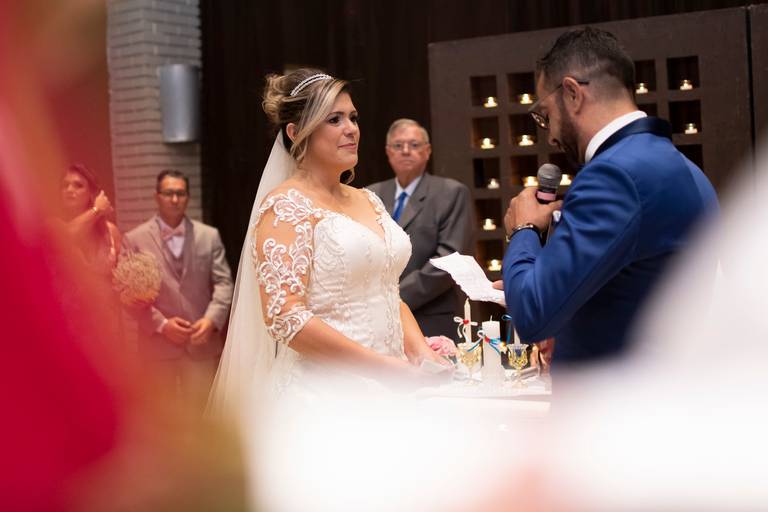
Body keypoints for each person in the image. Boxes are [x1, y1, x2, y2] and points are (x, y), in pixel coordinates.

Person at [208, 69, 449, 417]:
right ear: (296, 133)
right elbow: (286, 318)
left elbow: (386, 291)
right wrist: (382, 368)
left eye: (353, 117)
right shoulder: (286, 208)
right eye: (334, 119)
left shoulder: (368, 199)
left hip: (393, 390)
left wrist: (421, 354)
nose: (351, 129)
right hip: (322, 400)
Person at [500, 27, 719, 364]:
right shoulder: (687, 168)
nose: (551, 135)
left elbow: (532, 314)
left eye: (546, 115)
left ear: (572, 93)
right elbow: (635, 292)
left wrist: (524, 229)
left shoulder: (612, 176)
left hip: (613, 392)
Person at [123, 169, 234, 409]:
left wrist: (211, 320)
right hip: (157, 347)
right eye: (168, 193)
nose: (175, 199)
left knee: (201, 414)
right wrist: (162, 324)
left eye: (181, 194)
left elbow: (224, 283)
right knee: (161, 415)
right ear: (157, 196)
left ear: (188, 197)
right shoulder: (134, 239)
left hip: (200, 342)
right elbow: (128, 295)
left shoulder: (209, 236)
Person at [368, 119, 474, 339]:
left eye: (414, 145)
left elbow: (448, 260)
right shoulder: (370, 195)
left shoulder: (451, 193)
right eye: (398, 145)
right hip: (375, 319)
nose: (406, 151)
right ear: (388, 152)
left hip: (431, 317)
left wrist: (393, 297)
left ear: (427, 151)